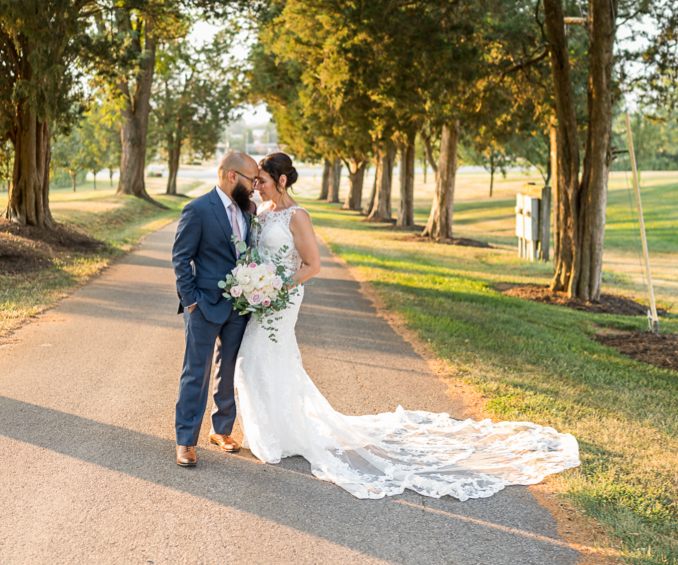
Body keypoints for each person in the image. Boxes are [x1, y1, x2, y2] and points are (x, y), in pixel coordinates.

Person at [233, 152, 581, 500]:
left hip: (283, 298)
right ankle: (274, 432)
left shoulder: (298, 216)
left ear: (281, 181)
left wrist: (278, 287)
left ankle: (279, 434)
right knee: (257, 359)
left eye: (262, 180)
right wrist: (255, 284)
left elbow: (313, 266)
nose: (257, 187)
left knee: (261, 355)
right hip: (262, 297)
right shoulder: (261, 213)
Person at [171, 151, 260, 467]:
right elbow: (181, 259)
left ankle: (221, 429)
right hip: (204, 305)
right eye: (252, 179)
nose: (255, 187)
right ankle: (185, 440)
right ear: (232, 176)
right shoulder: (197, 209)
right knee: (197, 371)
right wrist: (191, 301)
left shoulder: (249, 210)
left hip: (239, 306)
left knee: (228, 370)